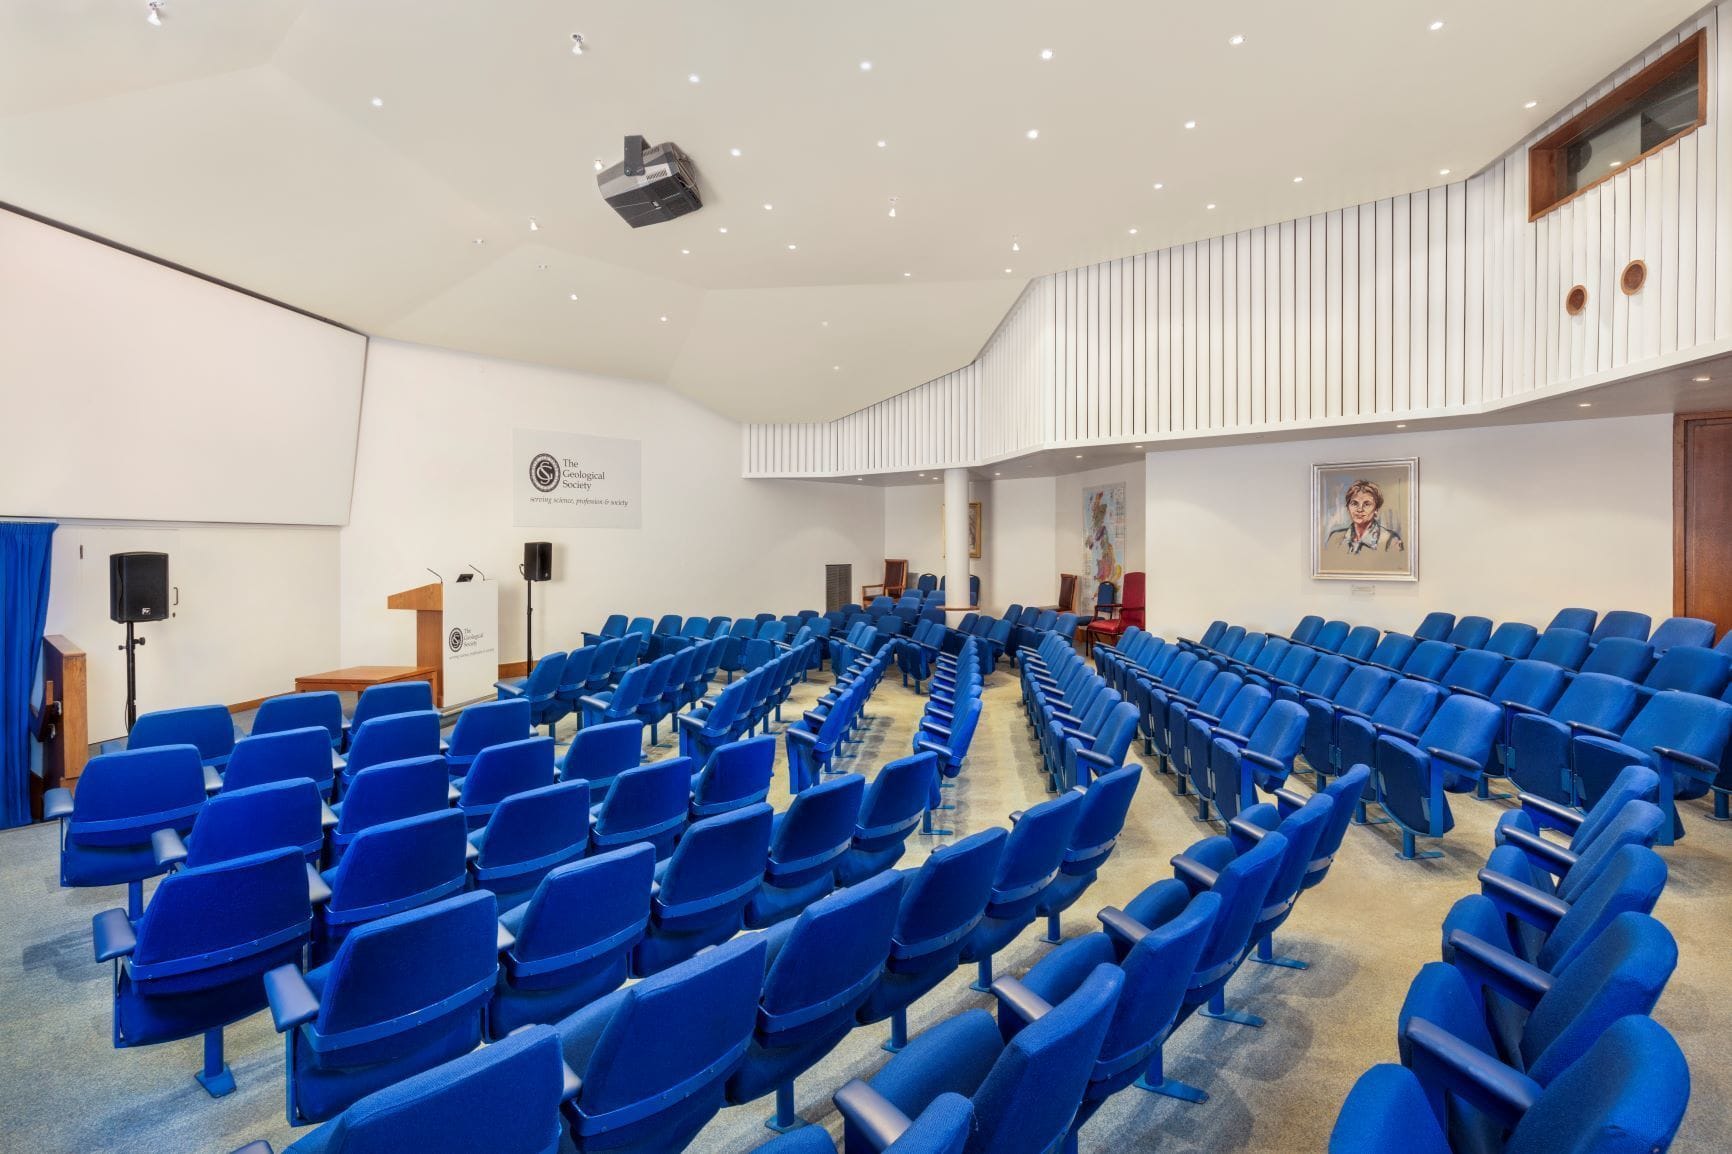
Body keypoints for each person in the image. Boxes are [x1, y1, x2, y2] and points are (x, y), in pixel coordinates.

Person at [1322, 479, 1404, 567]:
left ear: (1376, 510)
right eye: (1354, 503)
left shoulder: (1391, 540)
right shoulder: (1334, 538)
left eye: (1366, 504)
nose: (1360, 509)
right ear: (1348, 508)